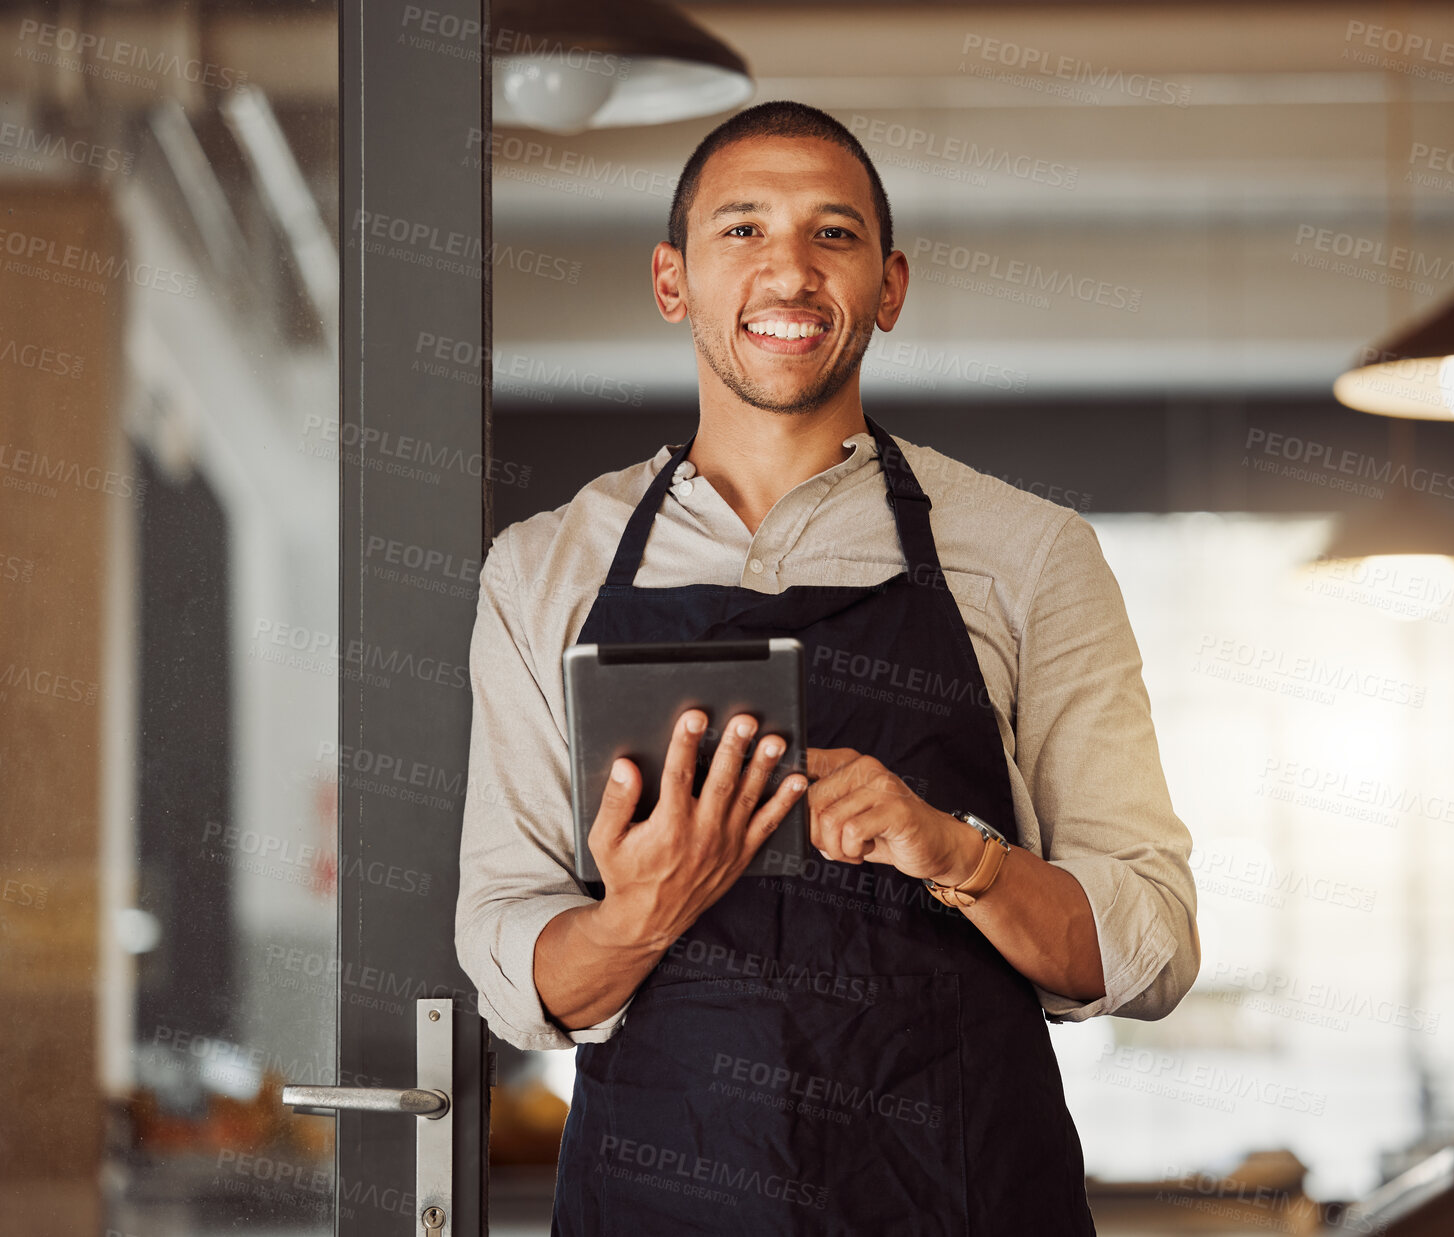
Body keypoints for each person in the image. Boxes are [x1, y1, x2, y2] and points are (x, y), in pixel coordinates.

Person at [456, 100, 1198, 1236]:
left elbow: (1150, 944)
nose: (789, 271)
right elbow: (514, 965)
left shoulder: (1031, 554)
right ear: (673, 281)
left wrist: (958, 855)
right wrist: (643, 912)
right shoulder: (543, 569)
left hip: (959, 1198)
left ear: (888, 288)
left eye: (832, 235)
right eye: (742, 230)